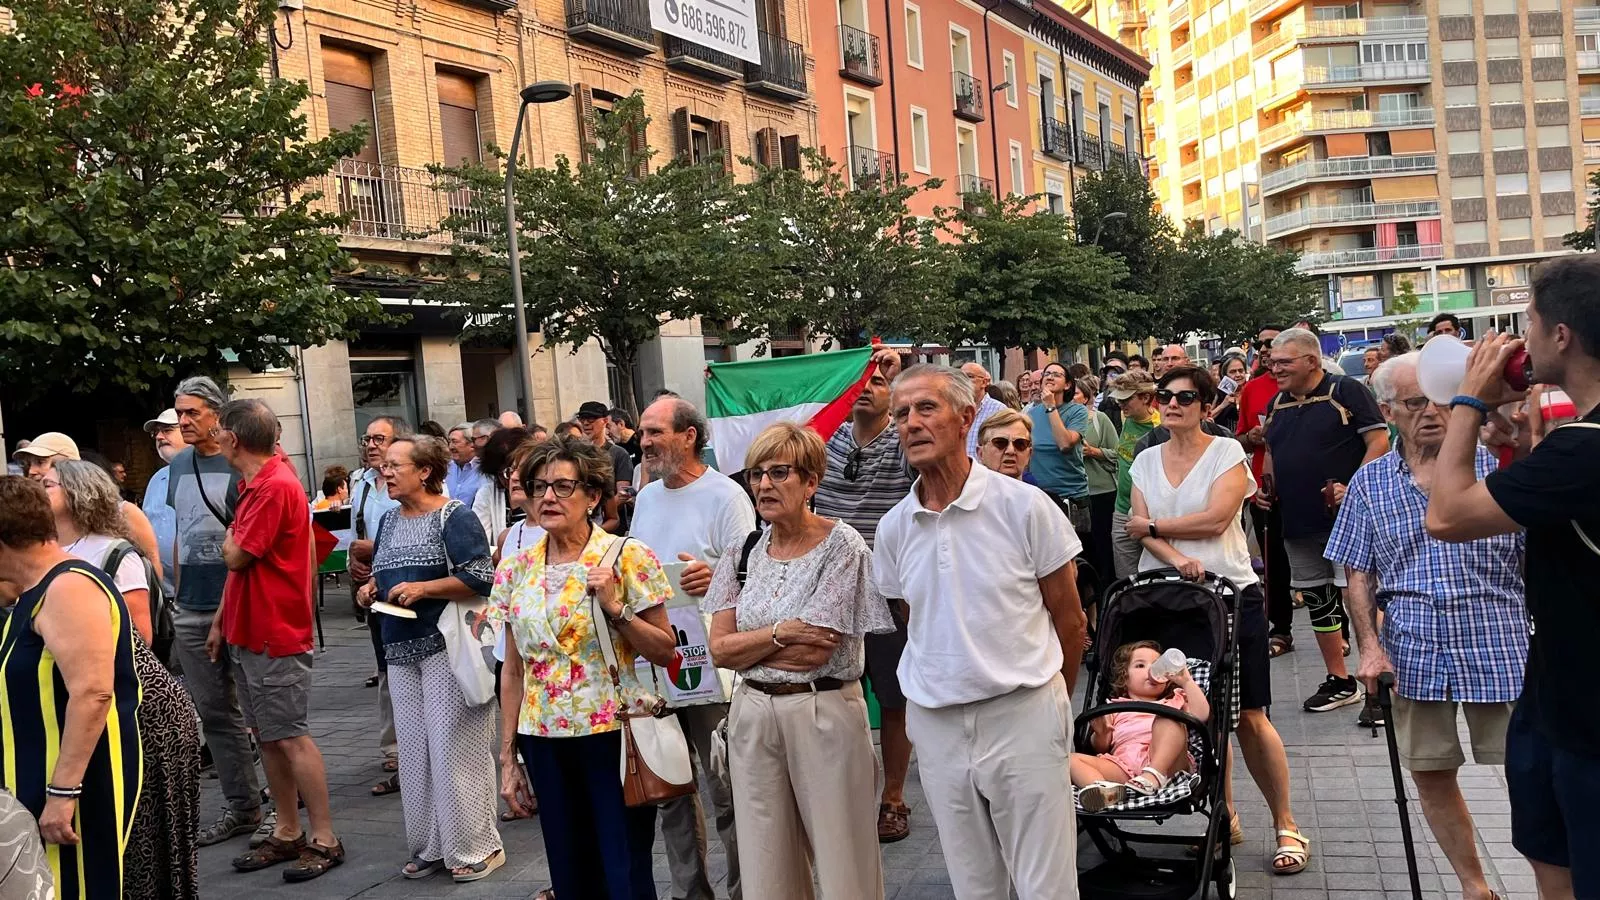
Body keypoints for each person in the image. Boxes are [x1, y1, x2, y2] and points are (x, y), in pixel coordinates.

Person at [874, 364, 1086, 899]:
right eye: (901, 414)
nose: (911, 423)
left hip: (1023, 712)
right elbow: (912, 617)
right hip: (938, 722)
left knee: (1047, 885)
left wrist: (1052, 697)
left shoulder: (1024, 506)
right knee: (973, 884)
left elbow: (1071, 619)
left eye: (926, 408)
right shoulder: (895, 526)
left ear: (967, 417)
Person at [1424, 256, 1600, 898]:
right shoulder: (1572, 447)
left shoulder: (1582, 449)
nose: (1517, 340)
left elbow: (1445, 515)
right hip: (1559, 700)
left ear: (1560, 337)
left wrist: (1468, 402)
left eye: (1527, 323)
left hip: (1585, 721)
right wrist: (1522, 450)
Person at [1325, 352, 1526, 900]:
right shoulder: (1370, 484)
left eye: (1442, 398)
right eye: (1417, 403)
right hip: (1413, 648)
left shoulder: (1499, 465)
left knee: (1530, 772)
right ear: (1388, 410)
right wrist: (1368, 647)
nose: (1434, 413)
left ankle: (1555, 880)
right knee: (1431, 772)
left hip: (1501, 641)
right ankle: (1475, 887)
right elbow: (1357, 571)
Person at [1127, 365, 1309, 874]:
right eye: (1165, 396)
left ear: (1207, 406)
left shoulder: (1226, 451)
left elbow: (1215, 518)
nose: (1174, 403)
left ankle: (1286, 823)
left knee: (1251, 713)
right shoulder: (1144, 460)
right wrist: (1173, 552)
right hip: (1167, 599)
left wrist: (1157, 526)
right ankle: (1222, 816)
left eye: (1186, 396)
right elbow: (1138, 531)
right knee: (1197, 712)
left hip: (1230, 594)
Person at [703, 423, 894, 899]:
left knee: (842, 858)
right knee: (766, 862)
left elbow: (818, 649)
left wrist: (754, 643)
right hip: (752, 714)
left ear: (811, 481)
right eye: (756, 474)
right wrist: (780, 632)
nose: (764, 485)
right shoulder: (742, 549)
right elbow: (719, 649)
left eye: (779, 472)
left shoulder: (842, 545)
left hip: (822, 710)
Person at [493, 437, 678, 900]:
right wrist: (508, 755)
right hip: (544, 739)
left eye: (561, 486)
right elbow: (513, 670)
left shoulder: (627, 556)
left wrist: (617, 608)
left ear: (593, 496)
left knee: (624, 867)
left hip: (612, 735)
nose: (547, 498)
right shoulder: (516, 568)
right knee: (569, 869)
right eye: (538, 488)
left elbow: (664, 649)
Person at [45, 461, 202, 900]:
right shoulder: (54, 549)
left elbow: (138, 639)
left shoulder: (114, 553)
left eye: (49, 484)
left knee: (145, 832)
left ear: (78, 493)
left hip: (139, 711)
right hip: (94, 703)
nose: (40, 489)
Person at [357, 435, 502, 883]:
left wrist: (426, 588)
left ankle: (479, 845)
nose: (386, 470)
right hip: (398, 648)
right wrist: (371, 589)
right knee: (416, 754)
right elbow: (385, 574)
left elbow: (481, 577)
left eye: (395, 464)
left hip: (447, 648)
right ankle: (431, 844)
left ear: (424, 471)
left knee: (454, 747)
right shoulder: (388, 521)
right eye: (385, 465)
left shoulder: (453, 517)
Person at [628, 396, 754, 900]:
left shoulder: (726, 496)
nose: (646, 442)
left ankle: (746, 888)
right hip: (653, 658)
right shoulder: (648, 497)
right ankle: (689, 892)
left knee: (725, 787)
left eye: (655, 432)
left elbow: (751, 573)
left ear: (689, 436)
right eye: (642, 433)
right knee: (670, 787)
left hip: (708, 662)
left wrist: (714, 575)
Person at [213, 400, 344, 882]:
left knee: (289, 734)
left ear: (234, 438)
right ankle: (288, 831)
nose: (213, 435)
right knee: (269, 735)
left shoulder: (271, 486)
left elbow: (235, 556)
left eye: (219, 428)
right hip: (254, 630)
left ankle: (325, 838)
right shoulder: (263, 478)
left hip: (275, 632)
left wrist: (231, 538)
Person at [0, 477, 141, 900]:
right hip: (37, 775)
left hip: (72, 782)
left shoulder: (69, 586)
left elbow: (93, 692)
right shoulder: (33, 590)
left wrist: (62, 794)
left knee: (72, 888)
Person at [812, 348, 918, 845]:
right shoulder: (828, 439)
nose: (868, 387)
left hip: (888, 590)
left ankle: (893, 798)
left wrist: (899, 375)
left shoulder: (901, 442)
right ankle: (843, 792)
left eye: (878, 381)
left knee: (894, 700)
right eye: (861, 380)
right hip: (833, 587)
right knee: (831, 694)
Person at [1260, 328, 1388, 722]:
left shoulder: (1346, 391)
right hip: (1298, 518)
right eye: (1273, 361)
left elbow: (1379, 440)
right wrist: (1266, 488)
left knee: (1359, 596)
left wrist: (1354, 487)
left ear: (1311, 361)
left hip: (1346, 518)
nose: (1274, 367)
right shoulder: (1277, 401)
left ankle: (1380, 682)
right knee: (1317, 596)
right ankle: (1340, 679)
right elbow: (1272, 451)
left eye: (1284, 362)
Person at [165, 376, 265, 845]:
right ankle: (242, 805)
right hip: (190, 606)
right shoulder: (178, 465)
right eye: (179, 413)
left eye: (192, 413)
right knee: (214, 713)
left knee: (262, 711)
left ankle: (283, 803)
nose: (183, 421)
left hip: (240, 603)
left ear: (217, 415)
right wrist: (179, 597)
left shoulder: (240, 465)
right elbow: (184, 530)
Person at [1070, 641, 1210, 812]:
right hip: (1123, 767)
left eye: (1158, 665)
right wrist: (1102, 733)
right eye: (1140, 665)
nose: (1151, 671)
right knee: (1070, 760)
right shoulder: (1114, 707)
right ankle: (1105, 791)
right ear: (1124, 677)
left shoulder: (1175, 699)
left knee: (1168, 717)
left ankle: (1153, 774)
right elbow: (1101, 746)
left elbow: (1201, 715)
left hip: (1168, 765)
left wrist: (1186, 681)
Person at [349, 416, 409, 791]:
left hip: (403, 587)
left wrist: (368, 550)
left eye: (380, 438)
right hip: (374, 587)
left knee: (400, 668)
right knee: (384, 667)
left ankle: (407, 752)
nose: (371, 445)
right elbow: (357, 531)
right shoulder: (362, 484)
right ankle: (394, 747)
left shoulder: (406, 486)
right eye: (367, 438)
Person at [15, 433, 162, 573]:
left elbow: (151, 562)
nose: (32, 471)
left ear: (69, 464)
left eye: (41, 462)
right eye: (29, 464)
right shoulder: (34, 519)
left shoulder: (122, 511)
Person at [1235, 326, 1295, 655]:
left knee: (1320, 562)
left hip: (1304, 488)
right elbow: (1241, 437)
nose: (1266, 350)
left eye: (1272, 344)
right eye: (1262, 345)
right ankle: (1281, 629)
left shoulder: (1315, 386)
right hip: (1264, 489)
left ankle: (1337, 628)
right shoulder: (1252, 389)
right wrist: (1253, 437)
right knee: (1274, 561)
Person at [1029, 362, 1092, 534]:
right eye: (1047, 374)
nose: (1050, 377)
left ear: (1068, 384)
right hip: (1040, 495)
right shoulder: (1031, 414)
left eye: (1057, 374)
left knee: (1077, 557)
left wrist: (1050, 406)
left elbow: (1064, 444)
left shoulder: (1077, 411)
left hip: (1070, 497)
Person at [1109, 371, 1161, 578]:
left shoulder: (1160, 426)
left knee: (1155, 577)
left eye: (1127, 399)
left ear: (1146, 397)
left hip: (1150, 513)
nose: (1121, 405)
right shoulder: (1127, 416)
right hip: (1121, 510)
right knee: (1126, 580)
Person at [1077, 378, 1120, 595]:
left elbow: (1118, 453)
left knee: (1103, 547)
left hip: (1102, 491)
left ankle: (1108, 595)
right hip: (1074, 494)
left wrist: (1093, 452)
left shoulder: (1099, 419)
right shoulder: (1055, 421)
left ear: (1085, 397)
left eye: (1075, 393)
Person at [142, 408, 186, 597]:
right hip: (163, 592)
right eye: (156, 432)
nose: (159, 437)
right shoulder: (157, 479)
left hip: (199, 593)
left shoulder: (206, 475)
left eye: (167, 430)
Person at [575, 402, 634, 532]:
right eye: (582, 419)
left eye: (591, 419)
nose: (585, 423)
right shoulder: (576, 454)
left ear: (605, 420)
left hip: (611, 530)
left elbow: (623, 494)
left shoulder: (619, 454)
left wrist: (598, 511)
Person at [472, 428, 529, 542]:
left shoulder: (543, 494)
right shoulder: (487, 493)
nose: (512, 478)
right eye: (501, 474)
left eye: (518, 469)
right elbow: (479, 542)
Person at [959, 363, 1007, 457]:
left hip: (986, 470)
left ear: (984, 383)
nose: (964, 381)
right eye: (961, 377)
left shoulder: (998, 410)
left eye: (969, 376)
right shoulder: (955, 409)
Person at [445, 423, 484, 507]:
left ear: (472, 445)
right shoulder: (447, 468)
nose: (450, 447)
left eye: (455, 442)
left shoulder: (484, 470)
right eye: (449, 442)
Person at [1211, 354, 1249, 433]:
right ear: (1225, 375)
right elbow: (1205, 419)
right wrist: (1223, 405)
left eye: (1241, 370)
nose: (1238, 375)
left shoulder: (1251, 389)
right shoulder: (1217, 394)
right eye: (1233, 372)